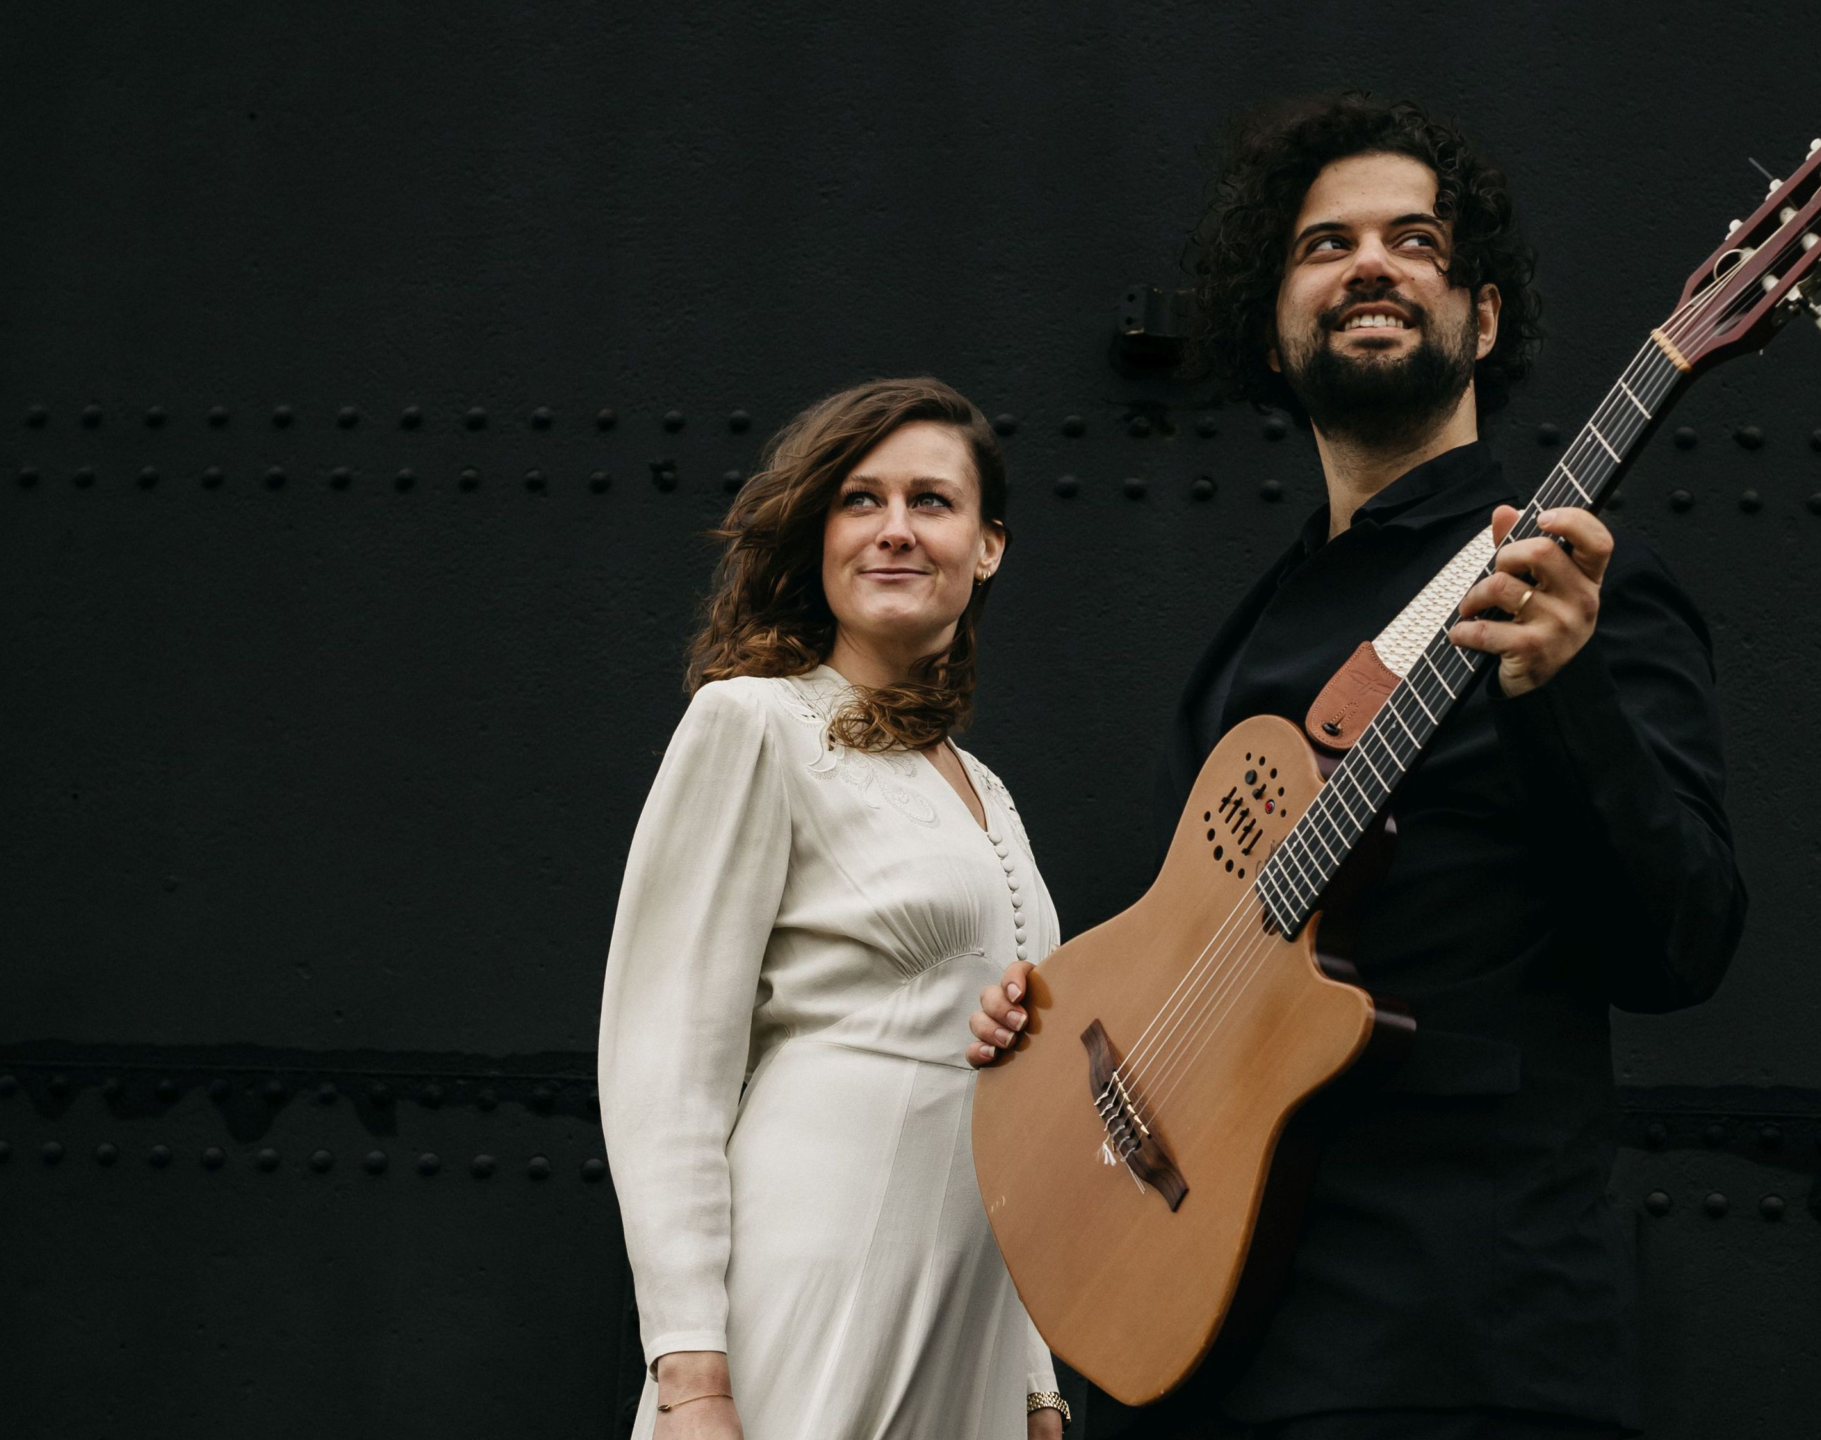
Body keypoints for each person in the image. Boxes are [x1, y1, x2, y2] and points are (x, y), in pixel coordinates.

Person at [970, 95, 1747, 1439]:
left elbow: (1682, 945)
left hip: (1455, 1342)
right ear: (1274, 326)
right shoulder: (1255, 631)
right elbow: (1192, 953)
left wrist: (1564, 693)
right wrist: (1049, 1026)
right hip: (1208, 1360)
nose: (1370, 262)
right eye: (1324, 244)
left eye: (1417, 240)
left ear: (1483, 320)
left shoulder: (1574, 589)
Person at [602, 377, 1068, 1440]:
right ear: (820, 535)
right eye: (860, 501)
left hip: (974, 1332)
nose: (894, 530)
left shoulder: (989, 793)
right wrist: (692, 1378)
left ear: (988, 547)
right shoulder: (752, 722)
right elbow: (665, 1068)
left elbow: (1019, 1103)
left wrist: (1035, 1383)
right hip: (813, 1286)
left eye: (930, 502)